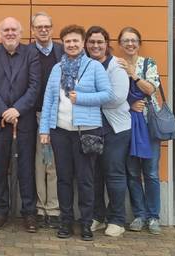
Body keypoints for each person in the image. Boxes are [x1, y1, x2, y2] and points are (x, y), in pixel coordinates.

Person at [39, 24, 112, 241]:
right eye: (68, 41)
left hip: (86, 132)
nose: (71, 45)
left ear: (83, 44)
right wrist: (45, 129)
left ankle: (86, 224)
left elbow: (107, 94)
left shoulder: (94, 67)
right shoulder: (57, 69)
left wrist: (81, 98)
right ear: (64, 44)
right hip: (60, 132)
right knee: (63, 179)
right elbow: (49, 100)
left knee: (85, 180)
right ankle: (66, 222)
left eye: (75, 41)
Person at [0, 17, 40, 232]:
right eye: (6, 30)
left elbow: (35, 86)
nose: (10, 33)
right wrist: (5, 112)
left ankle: (29, 212)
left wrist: (17, 109)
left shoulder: (31, 53)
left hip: (23, 121)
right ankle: (1, 211)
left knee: (26, 168)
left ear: (21, 33)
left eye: (14, 29)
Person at [85, 26, 130, 237]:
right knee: (94, 175)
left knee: (114, 174)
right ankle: (98, 216)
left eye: (99, 42)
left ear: (107, 44)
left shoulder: (116, 66)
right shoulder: (85, 65)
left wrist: (87, 99)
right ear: (87, 44)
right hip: (91, 127)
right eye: (92, 42)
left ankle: (117, 220)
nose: (95, 46)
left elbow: (117, 98)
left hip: (115, 129)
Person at [118, 27, 162, 235]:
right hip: (127, 125)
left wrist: (133, 75)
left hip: (149, 125)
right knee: (132, 173)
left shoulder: (149, 63)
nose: (130, 44)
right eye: (126, 40)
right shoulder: (115, 65)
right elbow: (113, 96)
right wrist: (130, 105)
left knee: (151, 173)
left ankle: (154, 217)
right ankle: (139, 215)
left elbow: (150, 89)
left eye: (133, 40)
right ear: (120, 44)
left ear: (139, 43)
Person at [28, 11, 63, 228]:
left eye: (47, 26)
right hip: (33, 114)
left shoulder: (62, 50)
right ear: (32, 30)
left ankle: (54, 208)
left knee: (54, 164)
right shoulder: (26, 51)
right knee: (39, 162)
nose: (43, 30)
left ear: (52, 28)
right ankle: (41, 208)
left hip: (57, 116)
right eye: (39, 27)